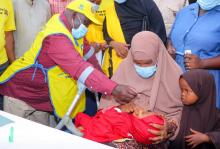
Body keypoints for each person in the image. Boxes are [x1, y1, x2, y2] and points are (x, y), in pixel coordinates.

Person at [0, 0, 137, 126]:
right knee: (14, 137)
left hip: (40, 96)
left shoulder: (71, 29)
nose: (87, 28)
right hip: (20, 93)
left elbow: (89, 56)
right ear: (75, 16)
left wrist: (105, 83)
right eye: (86, 22)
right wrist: (114, 88)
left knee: (37, 139)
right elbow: (81, 68)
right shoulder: (57, 37)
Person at [99, 31, 183, 148]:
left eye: (148, 63)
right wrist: (121, 108)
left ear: (158, 55)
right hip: (121, 128)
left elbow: (181, 111)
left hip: (155, 134)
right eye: (137, 63)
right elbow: (105, 107)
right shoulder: (124, 68)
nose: (143, 67)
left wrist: (168, 127)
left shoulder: (174, 74)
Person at [167, 0, 220, 108]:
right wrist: (169, 46)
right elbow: (170, 38)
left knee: (199, 122)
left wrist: (203, 63)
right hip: (175, 82)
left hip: (204, 86)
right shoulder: (184, 12)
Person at [101, 0, 167, 77]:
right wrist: (113, 43)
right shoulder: (109, 6)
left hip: (143, 65)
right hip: (117, 66)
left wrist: (139, 53)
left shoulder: (146, 4)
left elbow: (159, 35)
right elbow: (106, 31)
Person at [169, 69, 220, 149]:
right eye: (181, 90)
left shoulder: (215, 115)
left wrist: (206, 138)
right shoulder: (181, 108)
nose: (182, 94)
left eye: (187, 91)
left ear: (201, 90)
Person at [75, 102, 164, 145]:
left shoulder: (124, 120)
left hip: (94, 130)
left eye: (144, 113)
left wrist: (119, 110)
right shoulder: (130, 134)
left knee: (82, 119)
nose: (143, 109)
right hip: (99, 131)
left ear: (140, 124)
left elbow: (107, 115)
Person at [0, 0, 16, 110]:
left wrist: (13, 64)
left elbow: (8, 36)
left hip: (2, 64)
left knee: (3, 104)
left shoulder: (7, 2)